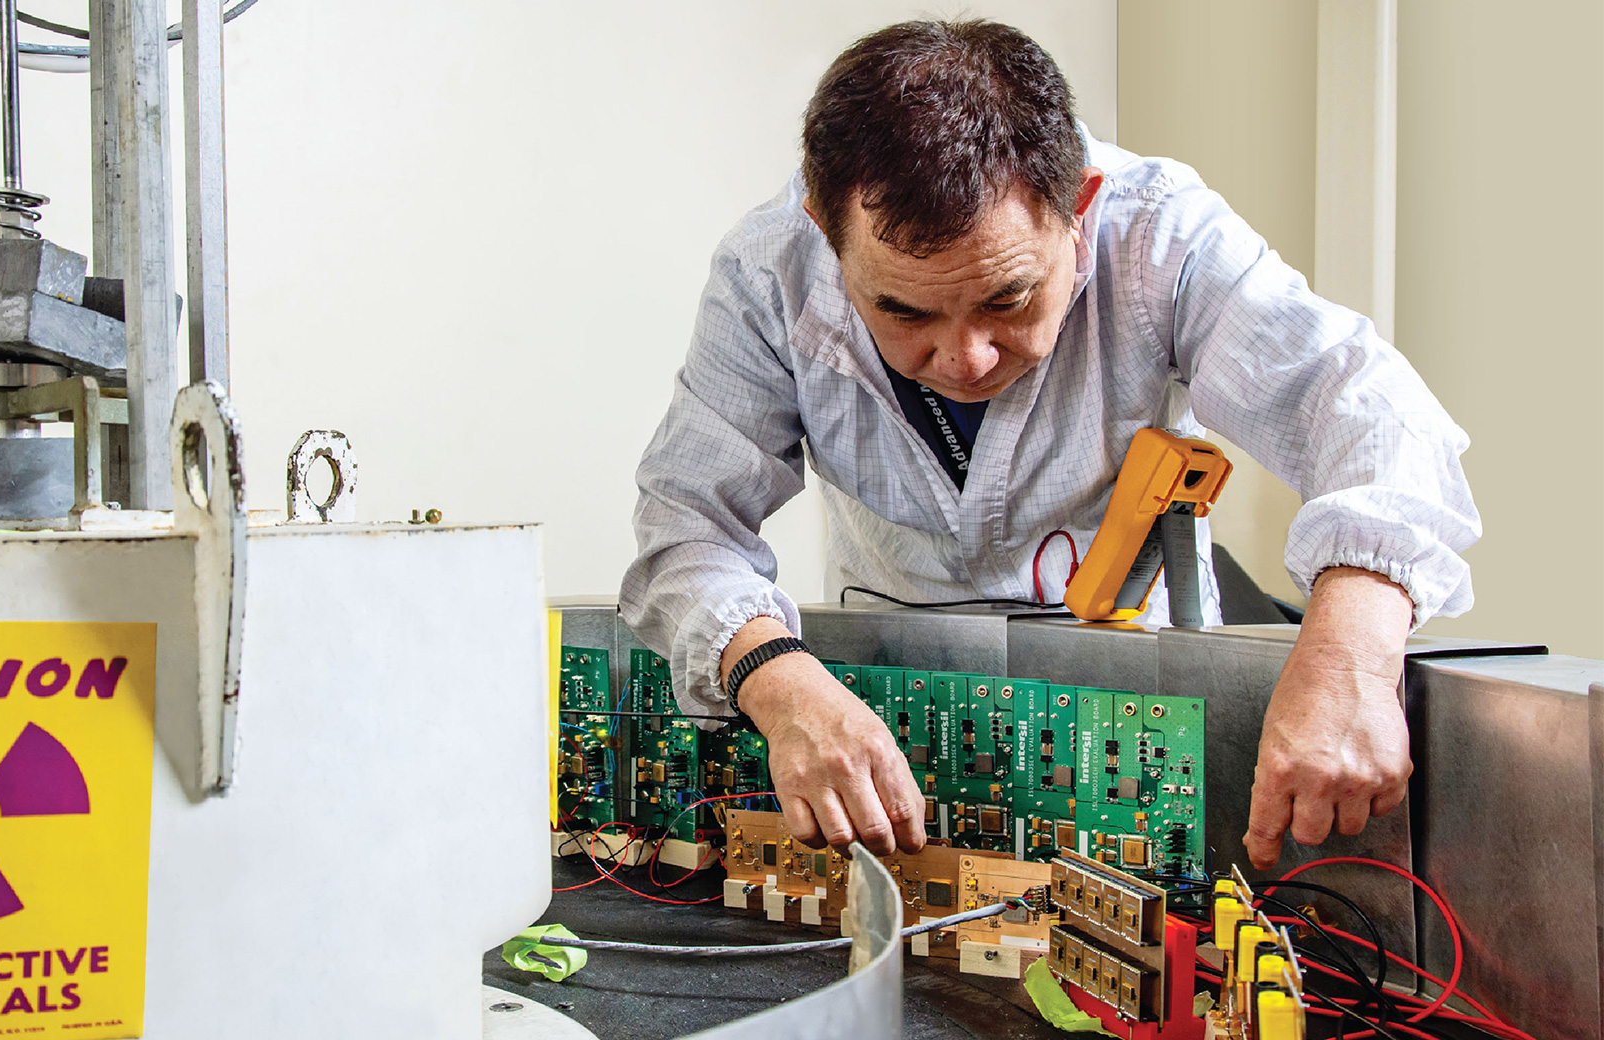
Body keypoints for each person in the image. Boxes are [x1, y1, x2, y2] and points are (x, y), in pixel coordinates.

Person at [619, 20, 1478, 871]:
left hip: (1152, 737)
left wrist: (1351, 655)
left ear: (1081, 209)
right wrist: (781, 683)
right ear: (826, 233)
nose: (966, 358)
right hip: (890, 725)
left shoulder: (1161, 233)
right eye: (904, 312)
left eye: (1008, 299)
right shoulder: (769, 268)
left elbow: (1376, 418)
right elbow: (687, 523)